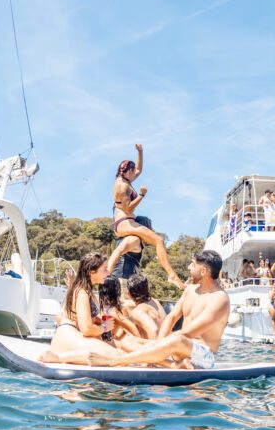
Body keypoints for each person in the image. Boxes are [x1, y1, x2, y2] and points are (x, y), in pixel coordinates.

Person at [88, 251, 230, 370]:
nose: (188, 267)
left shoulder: (219, 298)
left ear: (203, 271)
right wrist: (157, 344)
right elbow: (172, 316)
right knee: (130, 341)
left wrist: (158, 347)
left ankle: (113, 361)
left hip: (203, 356)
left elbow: (189, 332)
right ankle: (171, 363)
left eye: (192, 264)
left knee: (176, 338)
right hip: (179, 349)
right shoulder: (190, 290)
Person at [111, 145, 183, 289]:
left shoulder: (127, 182)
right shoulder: (121, 186)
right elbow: (128, 208)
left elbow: (139, 170)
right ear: (128, 171)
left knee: (154, 240)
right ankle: (172, 276)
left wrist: (140, 152)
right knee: (159, 240)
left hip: (127, 221)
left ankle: (171, 274)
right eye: (133, 172)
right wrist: (142, 195)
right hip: (123, 222)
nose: (135, 174)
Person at [39, 253, 117, 364]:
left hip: (69, 336)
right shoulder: (82, 292)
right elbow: (86, 329)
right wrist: (105, 327)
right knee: (113, 355)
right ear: (92, 272)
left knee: (115, 353)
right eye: (104, 269)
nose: (107, 273)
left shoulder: (86, 290)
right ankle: (60, 357)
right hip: (67, 337)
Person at [98, 275, 145, 351]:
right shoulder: (106, 307)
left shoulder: (114, 311)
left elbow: (131, 327)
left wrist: (142, 348)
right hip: (110, 341)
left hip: (117, 344)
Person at [126, 274, 167, 339]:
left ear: (128, 293)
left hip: (156, 346)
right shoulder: (154, 301)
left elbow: (154, 330)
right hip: (167, 343)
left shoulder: (137, 312)